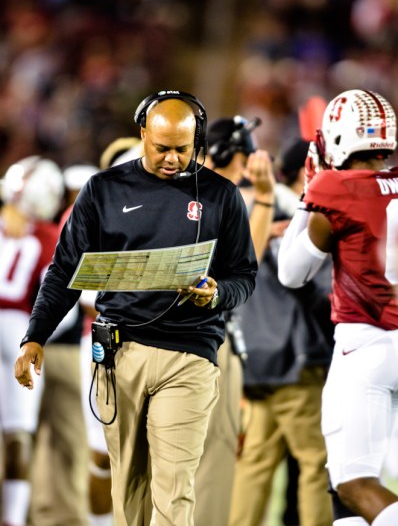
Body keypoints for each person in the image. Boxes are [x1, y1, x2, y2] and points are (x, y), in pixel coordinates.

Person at [14, 90, 258, 526]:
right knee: (128, 490)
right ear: (141, 131)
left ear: (198, 140)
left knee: (174, 487)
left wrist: (218, 292)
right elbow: (64, 271)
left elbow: (245, 276)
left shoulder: (222, 196)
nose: (172, 158)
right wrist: (35, 336)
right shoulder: (103, 190)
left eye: (183, 149)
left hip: (190, 354)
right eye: (162, 147)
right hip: (117, 353)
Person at [278, 89, 398, 526]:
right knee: (351, 491)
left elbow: (291, 272)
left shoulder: (335, 188)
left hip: (365, 345)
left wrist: (310, 192)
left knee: (353, 483)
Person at [228, 137, 334, 526]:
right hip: (295, 360)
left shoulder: (250, 212)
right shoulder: (300, 219)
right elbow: (321, 294)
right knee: (317, 461)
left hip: (255, 359)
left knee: (255, 461)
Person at [193, 115, 275, 526]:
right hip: (209, 341)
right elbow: (247, 262)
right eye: (244, 154)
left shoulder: (173, 193)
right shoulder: (222, 197)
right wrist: (264, 197)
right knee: (214, 454)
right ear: (228, 153)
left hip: (156, 339)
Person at [28, 164, 98, 526]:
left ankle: (34, 511)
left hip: (31, 341)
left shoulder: (40, 228)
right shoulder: (80, 219)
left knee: (32, 436)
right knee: (71, 439)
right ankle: (66, 516)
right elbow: (77, 300)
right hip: (65, 344)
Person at [0, 156, 64, 526]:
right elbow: (62, 308)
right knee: (19, 431)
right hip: (20, 330)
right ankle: (12, 517)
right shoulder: (47, 239)